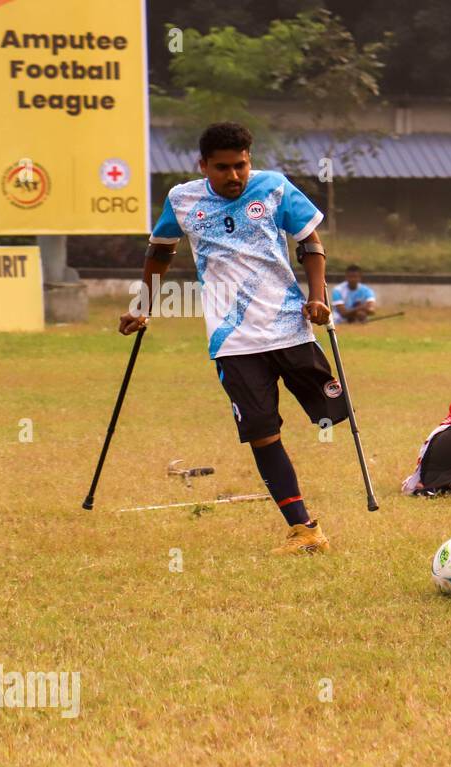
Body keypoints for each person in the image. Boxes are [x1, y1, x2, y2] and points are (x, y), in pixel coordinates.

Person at [119, 121, 340, 555]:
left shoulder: (274, 188)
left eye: (240, 165)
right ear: (203, 165)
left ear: (249, 160)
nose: (234, 176)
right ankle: (305, 530)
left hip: (290, 329)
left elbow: (310, 244)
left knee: (333, 415)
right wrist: (142, 305)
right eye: (222, 168)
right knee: (262, 433)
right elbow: (160, 251)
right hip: (234, 343)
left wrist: (317, 297)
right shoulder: (182, 199)